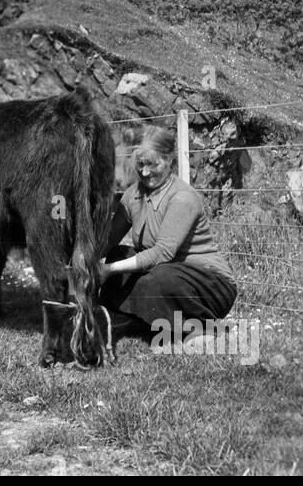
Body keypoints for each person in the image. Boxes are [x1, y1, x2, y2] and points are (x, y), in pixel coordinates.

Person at [98, 125, 236, 343]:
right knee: (118, 255)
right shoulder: (133, 195)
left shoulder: (182, 197)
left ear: (169, 160)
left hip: (209, 284)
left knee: (157, 281)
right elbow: (108, 239)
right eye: (140, 164)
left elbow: (162, 252)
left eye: (152, 164)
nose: (144, 172)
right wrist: (82, 260)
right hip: (164, 270)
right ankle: (141, 319)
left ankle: (202, 327)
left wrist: (108, 270)